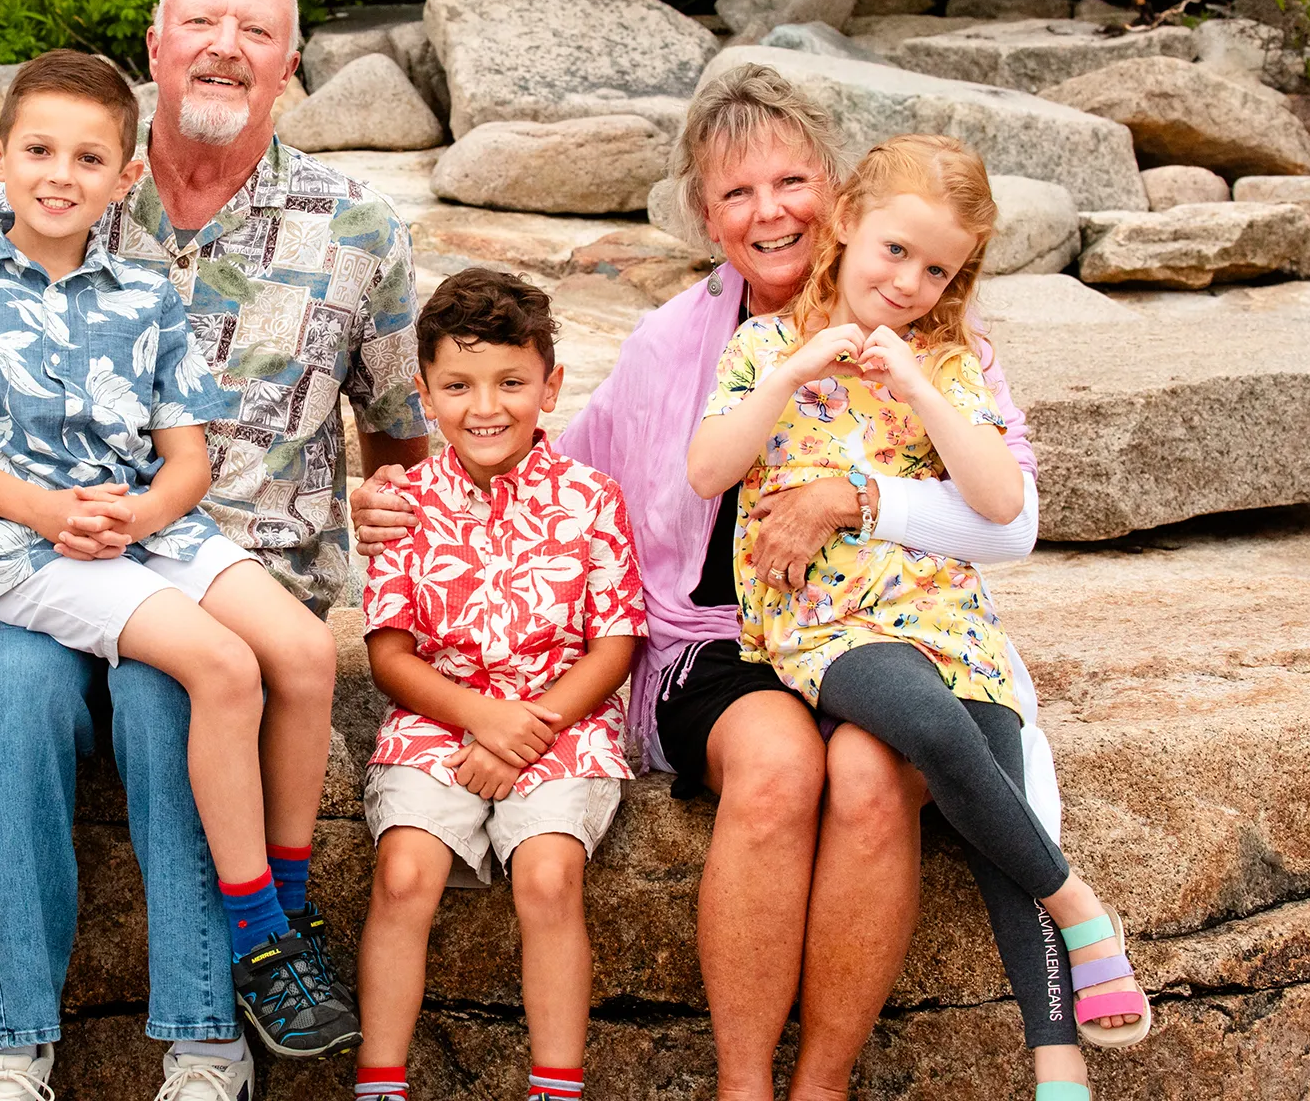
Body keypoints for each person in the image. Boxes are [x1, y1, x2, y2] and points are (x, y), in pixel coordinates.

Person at [352, 64, 1068, 1100]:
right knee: (777, 766)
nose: (769, 212)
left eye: (791, 181)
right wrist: (404, 495)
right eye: (736, 192)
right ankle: (741, 1085)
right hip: (715, 636)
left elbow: (1016, 517)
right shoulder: (679, 339)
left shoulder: (925, 328)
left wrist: (852, 498)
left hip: (870, 626)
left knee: (875, 776)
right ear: (703, 212)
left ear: (840, 190)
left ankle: (820, 1083)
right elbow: (563, 459)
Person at [0, 0, 432, 1101]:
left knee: (177, 692)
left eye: (254, 31)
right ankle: (4, 1053)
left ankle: (209, 1041)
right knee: (17, 701)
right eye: (200, 22)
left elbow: (408, 434)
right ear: (153, 45)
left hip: (248, 574)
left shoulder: (360, 227)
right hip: (52, 557)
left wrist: (397, 513)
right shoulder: (56, 182)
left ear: (291, 66)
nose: (224, 46)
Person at [0, 49, 360, 1074]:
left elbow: (187, 459)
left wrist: (139, 509)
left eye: (89, 157)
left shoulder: (145, 293)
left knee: (305, 653)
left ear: (124, 176)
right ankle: (257, 937)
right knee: (223, 668)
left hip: (146, 530)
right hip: (25, 545)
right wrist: (47, 511)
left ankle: (290, 905)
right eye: (40, 150)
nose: (61, 173)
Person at [688, 134, 1151, 1097]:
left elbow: (999, 506)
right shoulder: (766, 345)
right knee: (937, 728)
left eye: (937, 269)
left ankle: (1055, 1054)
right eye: (895, 252)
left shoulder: (957, 359)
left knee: (993, 758)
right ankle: (1075, 902)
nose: (908, 283)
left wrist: (928, 394)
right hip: (824, 625)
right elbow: (705, 471)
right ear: (848, 224)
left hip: (946, 619)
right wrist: (788, 377)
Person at [352, 269, 644, 1101]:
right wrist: (483, 719)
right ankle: (380, 1083)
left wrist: (531, 728)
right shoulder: (405, 504)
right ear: (425, 393)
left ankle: (555, 1086)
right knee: (405, 872)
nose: (487, 406)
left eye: (512, 382)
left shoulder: (592, 500)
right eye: (459, 385)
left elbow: (615, 641)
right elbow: (389, 656)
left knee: (547, 874)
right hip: (437, 714)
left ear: (550, 385)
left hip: (564, 717)